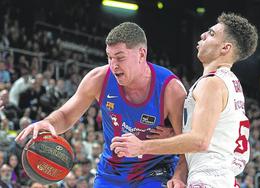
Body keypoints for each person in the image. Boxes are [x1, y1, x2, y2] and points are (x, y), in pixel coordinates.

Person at [16, 22, 187, 187]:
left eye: (120, 57)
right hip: (111, 172)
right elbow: (66, 115)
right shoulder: (98, 78)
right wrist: (49, 122)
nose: (113, 65)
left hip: (155, 170)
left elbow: (188, 146)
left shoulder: (170, 89)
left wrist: (179, 176)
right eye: (109, 57)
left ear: (141, 54)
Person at [110, 12, 258, 188]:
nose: (203, 35)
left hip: (209, 179)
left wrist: (141, 147)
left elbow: (199, 141)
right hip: (220, 178)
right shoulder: (230, 82)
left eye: (211, 34)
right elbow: (216, 135)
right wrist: (175, 135)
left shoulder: (212, 84)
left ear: (225, 48)